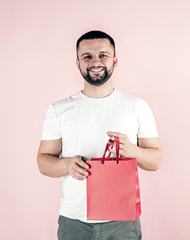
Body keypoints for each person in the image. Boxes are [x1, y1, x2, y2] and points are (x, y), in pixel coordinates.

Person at [37, 30, 162, 240]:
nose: (96, 61)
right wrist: (66, 165)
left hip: (122, 223)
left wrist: (132, 150)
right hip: (74, 223)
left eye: (103, 55)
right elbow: (43, 161)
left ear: (115, 61)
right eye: (87, 56)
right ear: (78, 63)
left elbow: (155, 160)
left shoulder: (137, 107)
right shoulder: (58, 110)